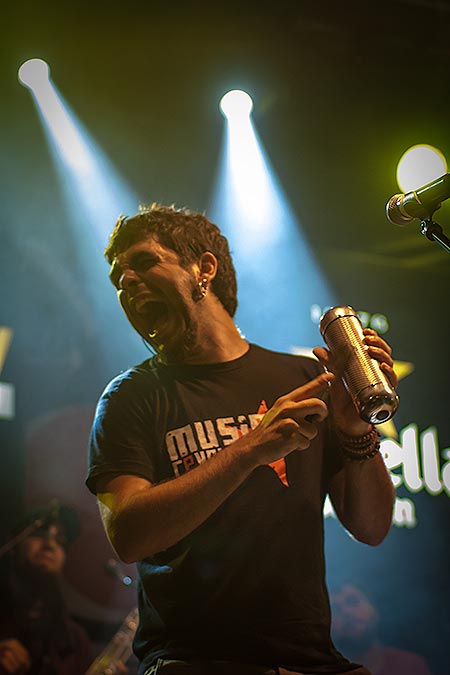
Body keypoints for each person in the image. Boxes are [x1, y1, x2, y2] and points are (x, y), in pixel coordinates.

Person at [87, 204, 397, 675]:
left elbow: (372, 527)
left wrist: (357, 431)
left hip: (310, 662)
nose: (125, 282)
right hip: (193, 662)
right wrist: (252, 447)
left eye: (145, 262)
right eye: (117, 278)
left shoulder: (301, 376)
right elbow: (128, 533)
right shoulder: (129, 397)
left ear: (203, 268)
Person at [0, 503, 93, 674]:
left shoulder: (75, 639)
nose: (50, 545)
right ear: (13, 545)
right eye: (40, 533)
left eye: (61, 540)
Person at [330, 584, 432, 675]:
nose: (346, 612)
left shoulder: (410, 665)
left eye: (353, 601)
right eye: (335, 608)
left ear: (374, 609)